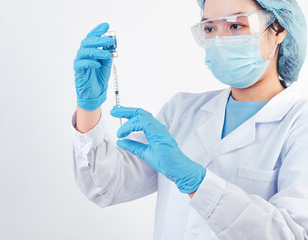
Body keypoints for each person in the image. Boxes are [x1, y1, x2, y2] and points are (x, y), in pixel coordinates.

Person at [71, 0, 308, 239]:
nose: (219, 40)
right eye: (209, 28)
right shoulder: (181, 111)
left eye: (236, 26)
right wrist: (88, 107)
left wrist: (197, 183)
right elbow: (105, 187)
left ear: (279, 28)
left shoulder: (300, 123)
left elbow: (293, 234)